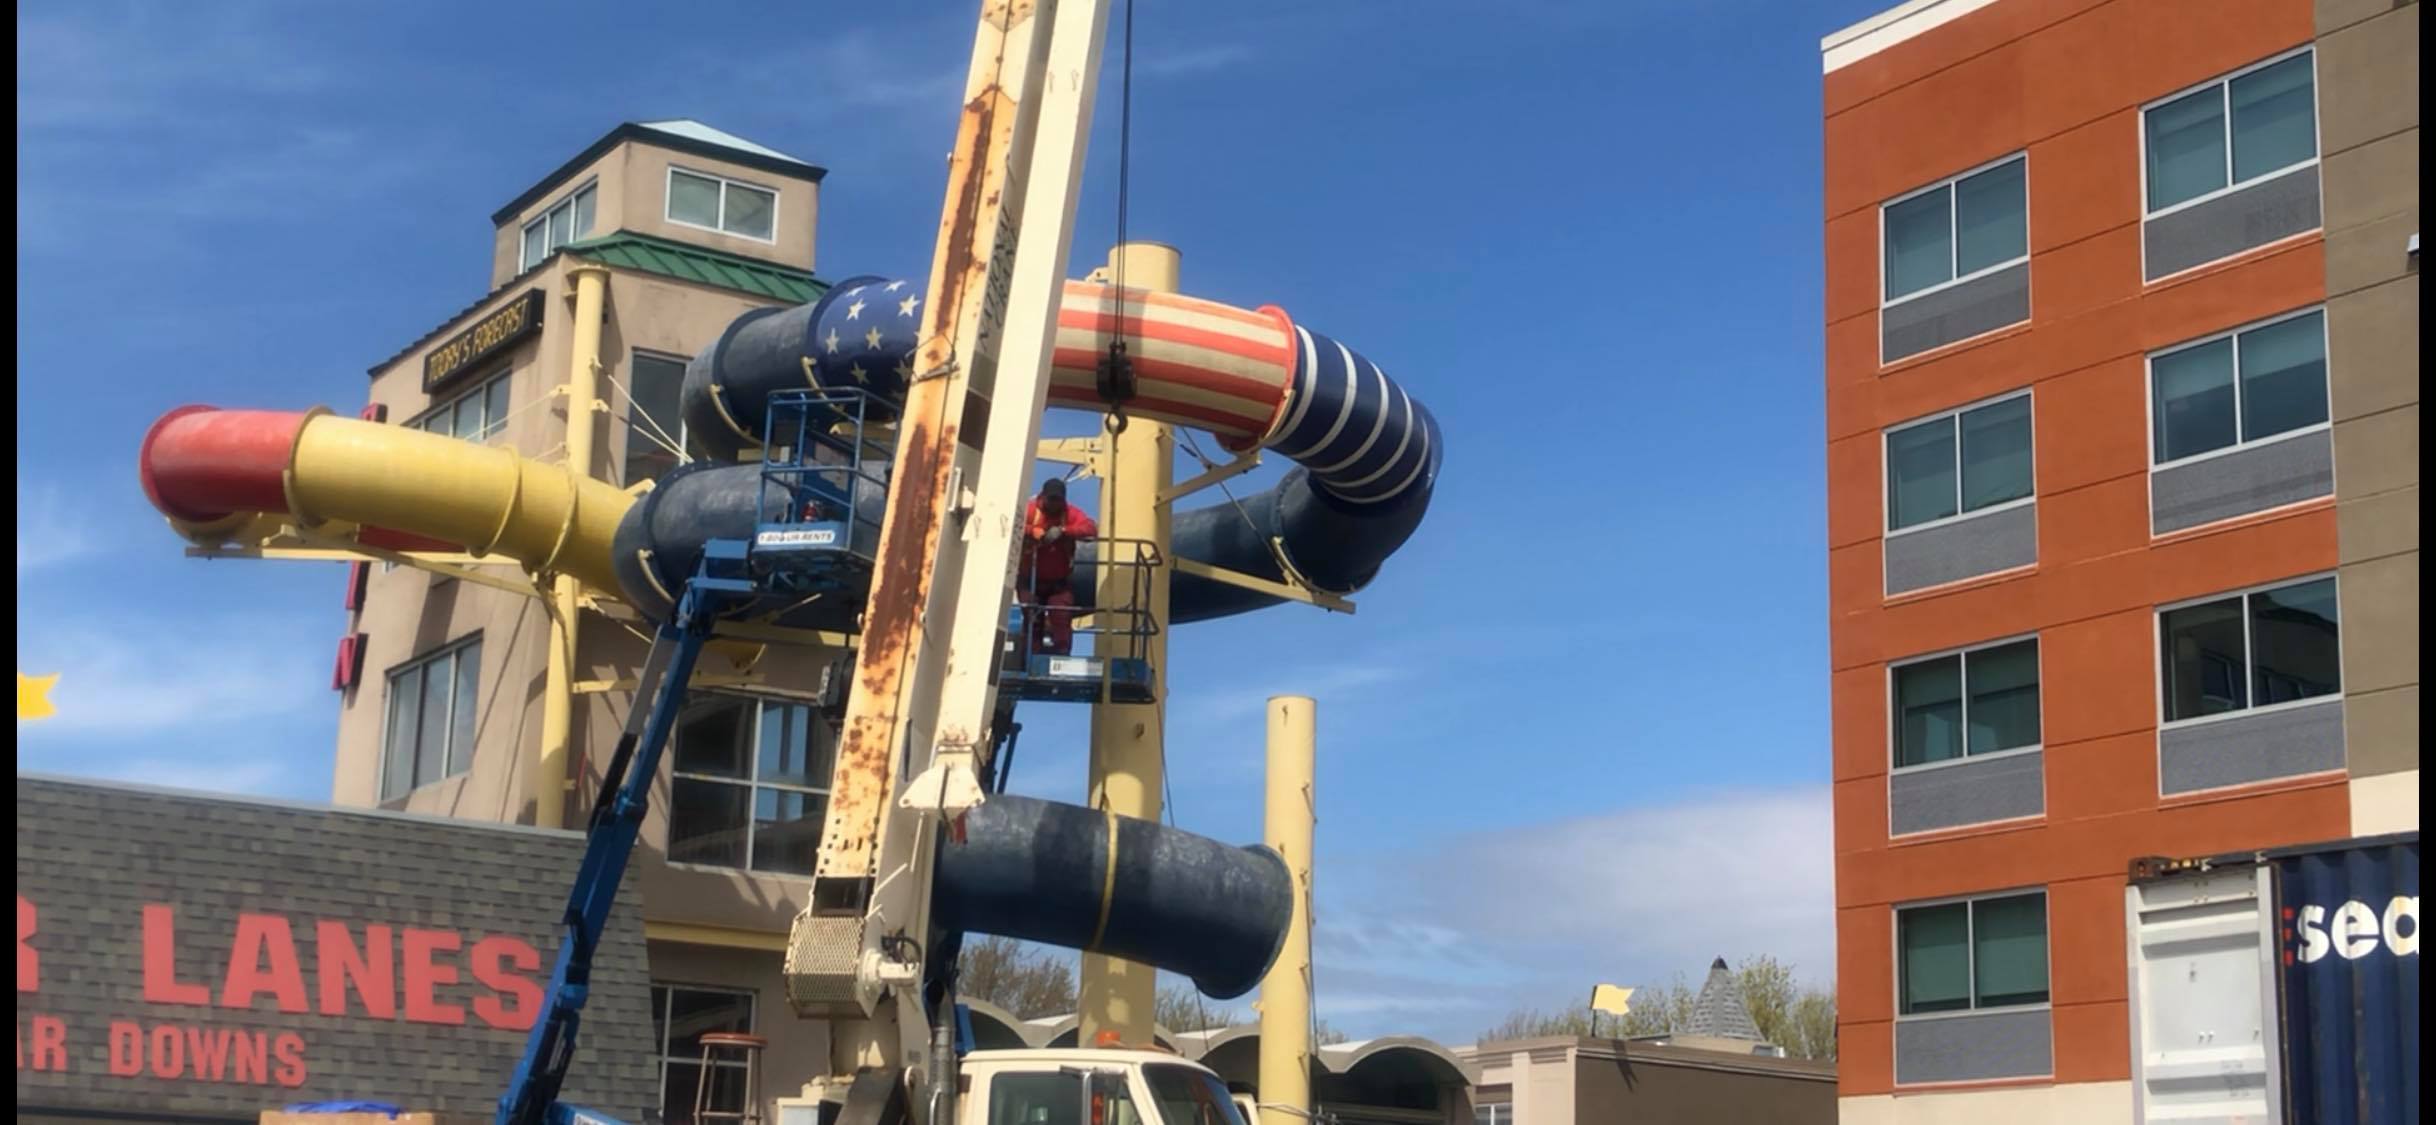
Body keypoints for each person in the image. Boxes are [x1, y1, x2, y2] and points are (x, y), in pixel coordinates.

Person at [1018, 477, 1096, 656]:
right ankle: (1030, 656)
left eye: (1058, 500)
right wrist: (1032, 531)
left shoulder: (1069, 514)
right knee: (1032, 618)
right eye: (1051, 499)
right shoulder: (1031, 511)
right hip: (1029, 580)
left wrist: (1064, 531)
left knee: (1061, 617)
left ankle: (1061, 655)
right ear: (1043, 497)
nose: (1054, 504)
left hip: (1058, 582)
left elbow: (1090, 528)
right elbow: (1013, 524)